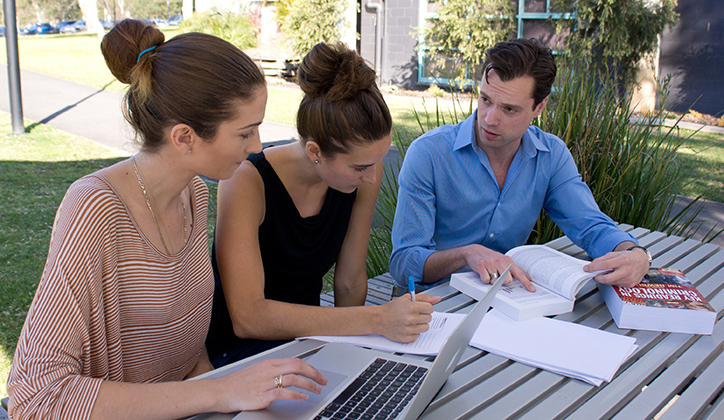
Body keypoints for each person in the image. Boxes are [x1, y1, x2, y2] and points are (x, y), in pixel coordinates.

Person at [6, 19, 327, 420]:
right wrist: (221, 393)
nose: (257, 147)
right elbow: (35, 397)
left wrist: (235, 407)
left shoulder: (194, 193)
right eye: (245, 133)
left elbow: (189, 356)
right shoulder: (94, 208)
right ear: (184, 138)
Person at [206, 42, 440, 368]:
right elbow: (249, 317)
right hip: (239, 354)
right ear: (315, 152)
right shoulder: (246, 181)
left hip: (308, 343)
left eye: (378, 161)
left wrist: (354, 354)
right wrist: (374, 320)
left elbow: (350, 282)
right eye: (360, 167)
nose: (373, 177)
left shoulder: (360, 181)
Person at [390, 38, 651, 292]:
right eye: (485, 100)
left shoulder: (551, 155)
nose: (490, 119)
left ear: (539, 107)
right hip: (435, 306)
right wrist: (468, 254)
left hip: (508, 299)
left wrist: (634, 254)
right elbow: (403, 265)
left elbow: (591, 225)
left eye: (509, 109)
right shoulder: (429, 154)